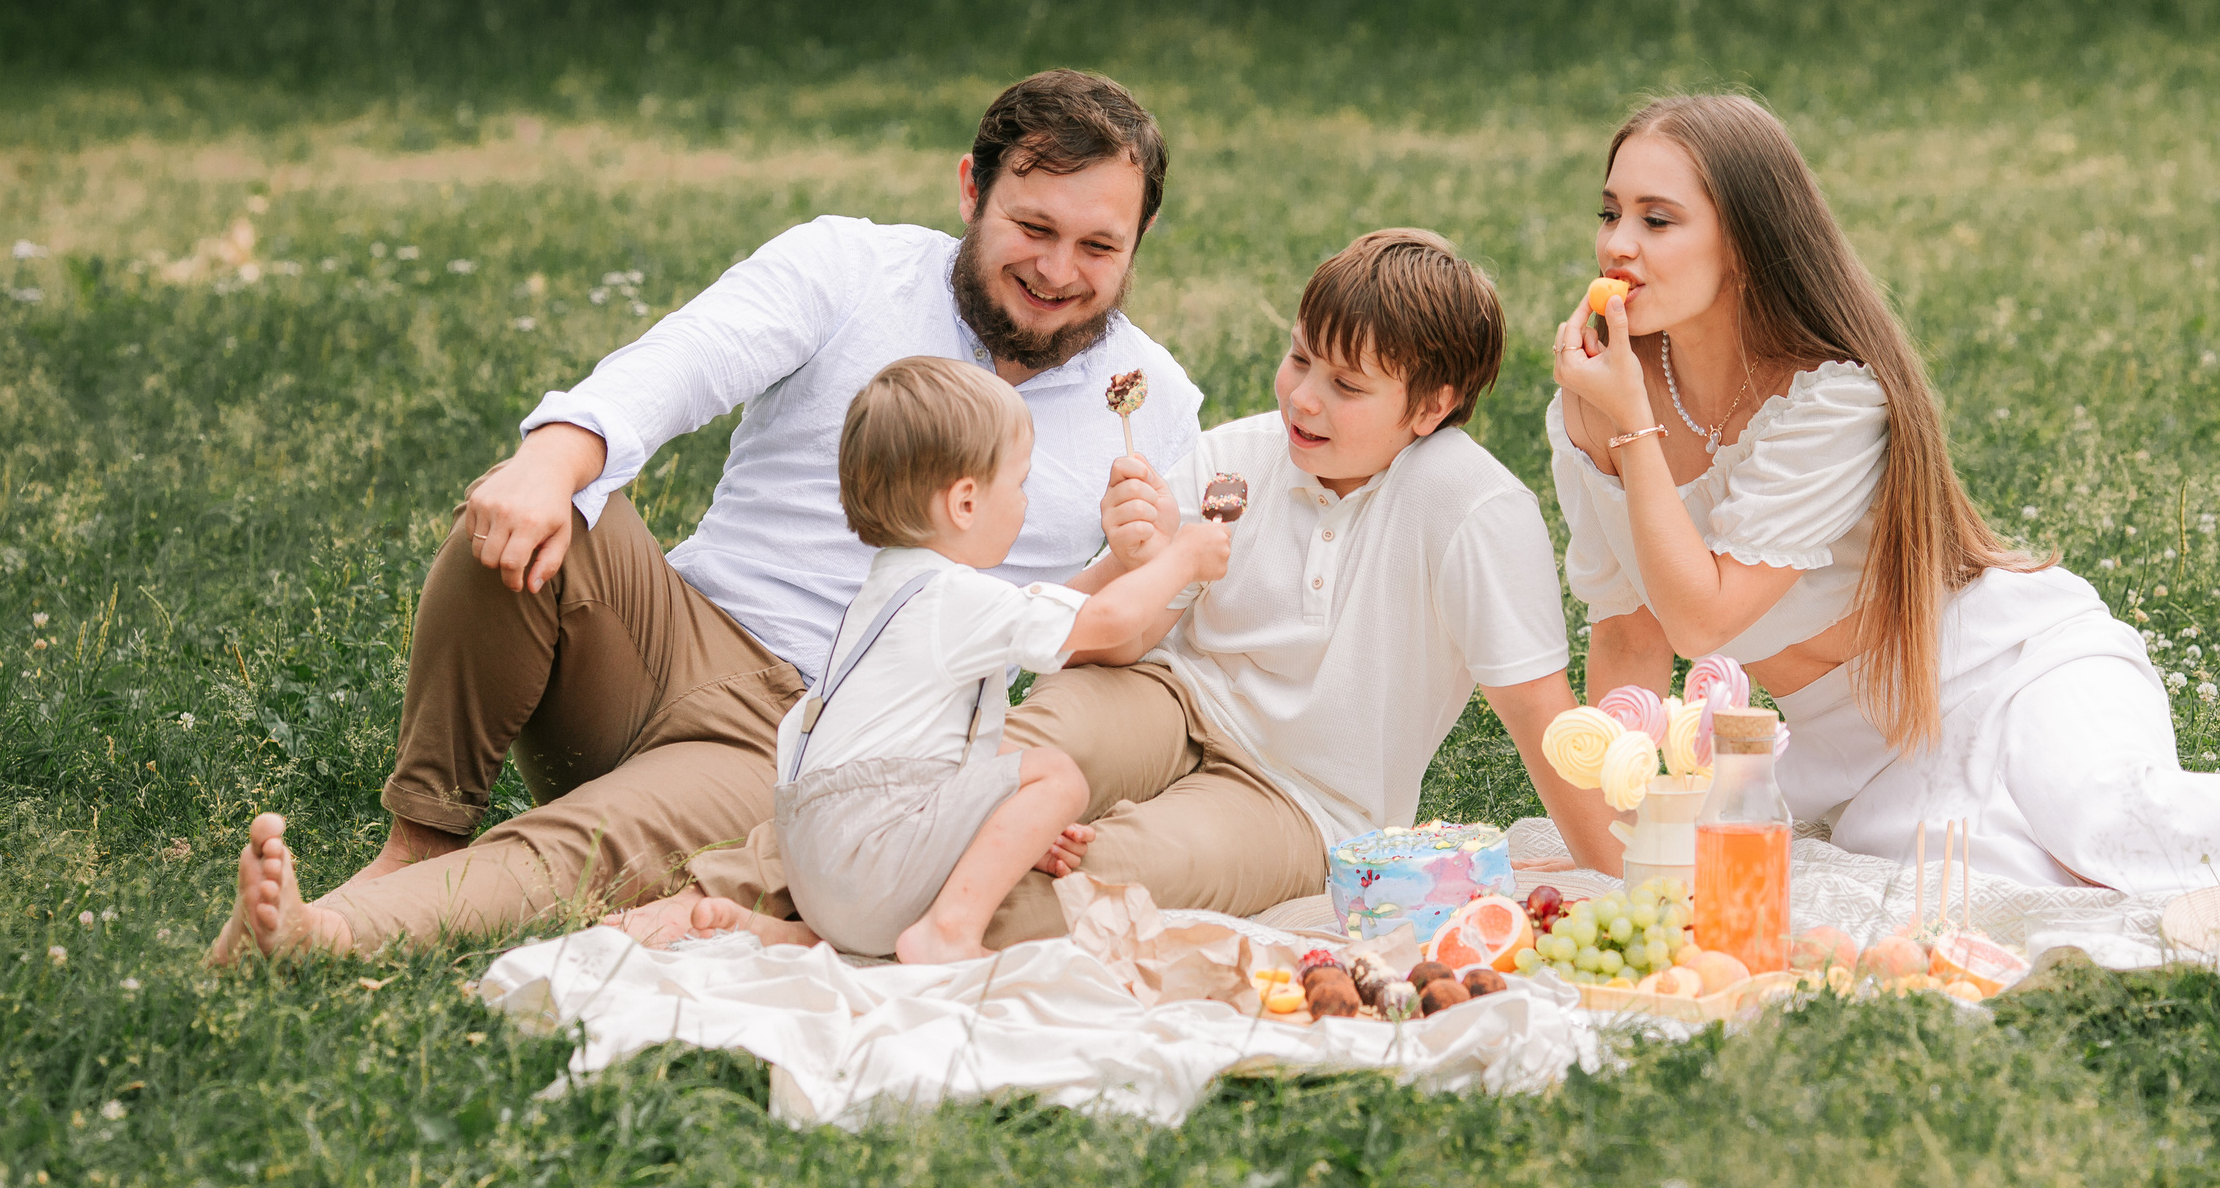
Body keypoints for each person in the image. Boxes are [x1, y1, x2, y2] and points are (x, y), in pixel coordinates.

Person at [210, 70, 1203, 963]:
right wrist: (551, 459)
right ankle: (418, 841)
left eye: (1097, 245)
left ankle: (333, 932)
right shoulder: (849, 269)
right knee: (551, 518)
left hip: (815, 735)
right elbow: (685, 360)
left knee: (593, 843)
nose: (1058, 270)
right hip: (674, 636)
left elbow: (1128, 643)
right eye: (1033, 228)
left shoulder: (1154, 407)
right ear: (970, 191)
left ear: (1136, 245)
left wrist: (1142, 562)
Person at [1544, 92, 2220, 894]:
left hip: (2005, 658)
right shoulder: (1593, 405)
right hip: (1862, 748)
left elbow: (1702, 619)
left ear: (1744, 244)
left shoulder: (1832, 397)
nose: (1618, 245)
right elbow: (1630, 636)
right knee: (1999, 880)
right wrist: (1617, 868)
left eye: (1657, 220)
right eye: (1610, 211)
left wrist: (1633, 430)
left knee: (2106, 817)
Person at [622, 227, 1618, 948]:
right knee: (1005, 763)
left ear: (1431, 406)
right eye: (1298, 359)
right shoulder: (1234, 455)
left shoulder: (1472, 510)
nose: (1302, 398)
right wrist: (1125, 558)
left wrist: (1618, 877)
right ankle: (740, 887)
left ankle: (842, 934)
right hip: (1165, 693)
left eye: (1346, 387)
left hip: (1297, 797)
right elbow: (1095, 633)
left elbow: (1538, 714)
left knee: (1100, 866)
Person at [678, 357, 1230, 962]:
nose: (1024, 501)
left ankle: (798, 937)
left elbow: (1044, 620)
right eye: (1019, 484)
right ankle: (950, 930)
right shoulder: (953, 599)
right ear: (966, 502)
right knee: (1055, 774)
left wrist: (997, 824)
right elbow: (1106, 623)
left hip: (814, 864)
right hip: (866, 860)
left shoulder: (892, 590)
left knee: (1004, 773)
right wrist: (1182, 558)